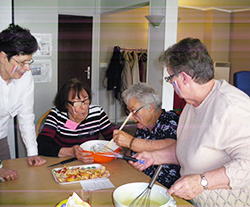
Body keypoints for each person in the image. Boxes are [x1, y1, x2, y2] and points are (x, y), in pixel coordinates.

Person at [129, 38, 250, 206]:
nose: (171, 83)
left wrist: (202, 182)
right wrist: (154, 157)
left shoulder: (231, 106)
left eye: (171, 78)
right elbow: (186, 149)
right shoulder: (191, 105)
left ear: (184, 78)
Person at [0, 24, 47, 181]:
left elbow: (26, 116)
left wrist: (32, 152)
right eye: (21, 62)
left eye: (29, 62)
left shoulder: (24, 77)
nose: (27, 68)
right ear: (3, 57)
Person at [113, 82, 180, 188]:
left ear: (151, 108)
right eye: (129, 112)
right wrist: (122, 153)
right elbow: (133, 152)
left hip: (163, 188)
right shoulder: (144, 125)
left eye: (134, 111)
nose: (131, 117)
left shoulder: (170, 121)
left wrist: (131, 142)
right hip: (139, 180)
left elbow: (173, 145)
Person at [37, 78, 114, 163]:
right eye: (76, 102)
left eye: (85, 100)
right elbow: (42, 146)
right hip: (63, 164)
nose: (83, 107)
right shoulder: (56, 115)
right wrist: (71, 152)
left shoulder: (97, 113)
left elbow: (113, 139)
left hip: (91, 164)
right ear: (66, 104)